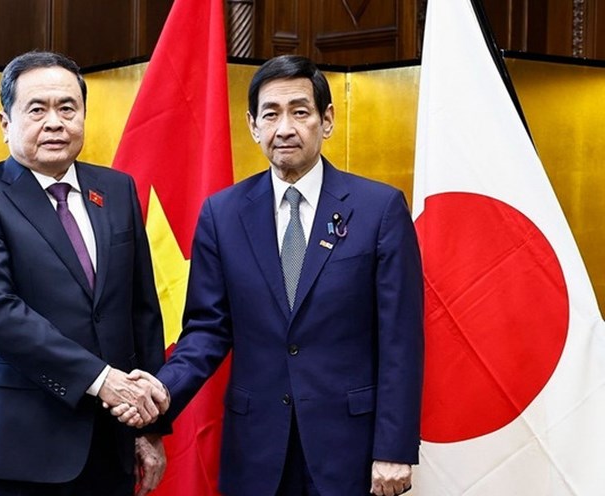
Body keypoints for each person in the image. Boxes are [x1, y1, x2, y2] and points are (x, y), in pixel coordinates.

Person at [116, 55, 425, 496]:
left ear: (328, 119)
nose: (284, 128)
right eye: (271, 114)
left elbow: (401, 340)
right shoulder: (223, 215)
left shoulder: (380, 209)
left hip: (350, 451)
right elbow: (206, 330)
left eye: (300, 111)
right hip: (256, 452)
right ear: (252, 125)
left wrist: (394, 448)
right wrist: (161, 392)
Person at [0, 51, 169, 496]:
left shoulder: (117, 189)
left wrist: (151, 428)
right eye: (37, 109)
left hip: (111, 446)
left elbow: (141, 309)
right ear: (5, 122)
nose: (55, 122)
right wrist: (103, 380)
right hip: (22, 449)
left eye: (68, 108)